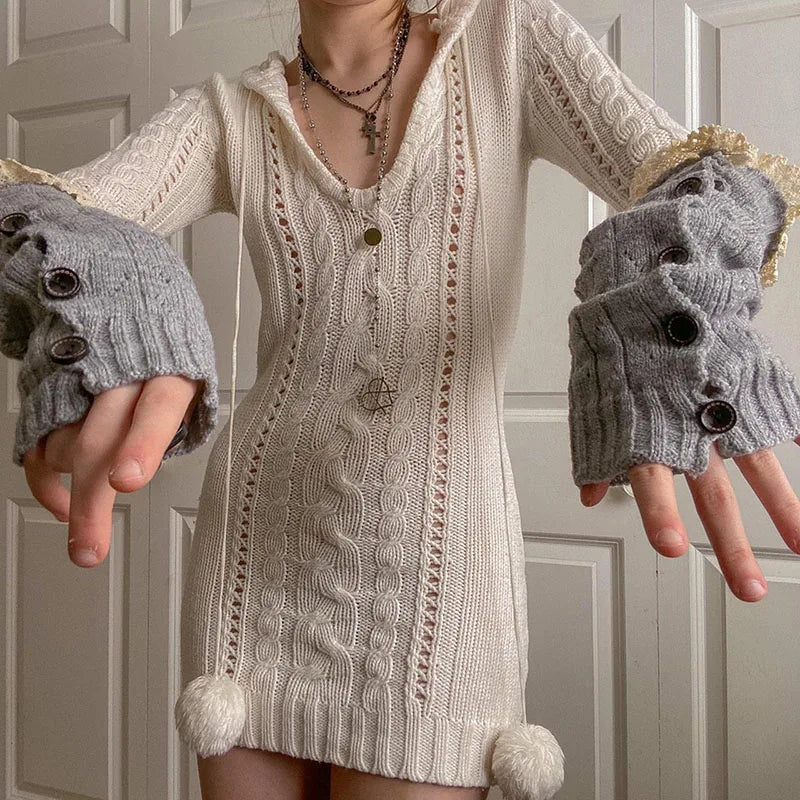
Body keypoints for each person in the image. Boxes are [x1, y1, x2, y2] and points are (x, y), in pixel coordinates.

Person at [2, 0, 800, 798]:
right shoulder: (227, 113)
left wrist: (666, 311)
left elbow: (700, 184)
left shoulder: (509, 39)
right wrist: (131, 284)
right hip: (253, 570)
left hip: (439, 581)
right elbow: (34, 214)